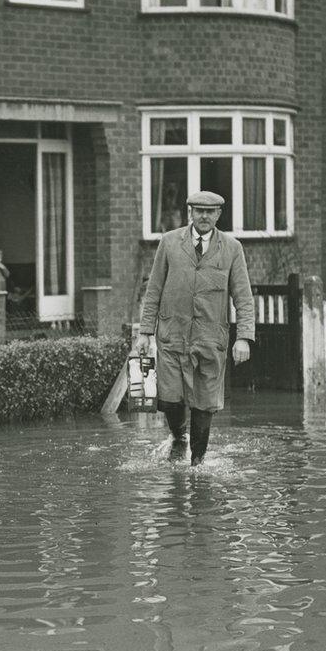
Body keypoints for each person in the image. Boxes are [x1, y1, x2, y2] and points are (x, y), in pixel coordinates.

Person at [137, 190, 255, 466]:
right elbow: (153, 290)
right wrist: (145, 331)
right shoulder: (168, 243)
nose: (204, 216)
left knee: (204, 403)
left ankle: (197, 464)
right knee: (170, 399)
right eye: (198, 210)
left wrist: (244, 338)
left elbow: (243, 297)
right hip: (172, 336)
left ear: (218, 215)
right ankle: (179, 436)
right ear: (189, 212)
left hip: (210, 340)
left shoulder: (232, 248)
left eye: (210, 211)